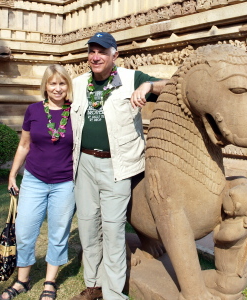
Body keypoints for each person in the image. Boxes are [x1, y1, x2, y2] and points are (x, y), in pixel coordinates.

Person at [70, 32, 168, 300]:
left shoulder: (132, 78)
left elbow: (172, 86)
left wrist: (148, 87)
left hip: (117, 166)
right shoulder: (78, 84)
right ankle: (94, 285)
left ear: (115, 55)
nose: (95, 56)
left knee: (113, 230)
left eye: (102, 51)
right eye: (91, 51)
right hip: (84, 165)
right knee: (88, 228)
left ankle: (114, 294)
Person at [0, 64, 75, 300]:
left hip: (65, 182)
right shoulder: (33, 110)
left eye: (62, 83)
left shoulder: (75, 112)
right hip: (34, 179)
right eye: (52, 83)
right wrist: (13, 173)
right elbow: (24, 145)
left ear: (67, 86)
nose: (57, 88)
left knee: (59, 232)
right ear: (45, 86)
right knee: (24, 231)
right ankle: (23, 280)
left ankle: (50, 282)